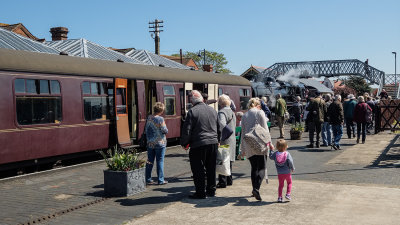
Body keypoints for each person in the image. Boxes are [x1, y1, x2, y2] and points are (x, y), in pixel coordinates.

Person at [180, 90, 219, 199]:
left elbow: (187, 130)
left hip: (198, 144)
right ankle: (211, 191)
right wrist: (218, 139)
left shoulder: (192, 112)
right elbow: (219, 127)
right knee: (211, 168)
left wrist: (184, 143)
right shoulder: (213, 110)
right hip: (213, 143)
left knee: (198, 169)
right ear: (202, 99)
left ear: (192, 101)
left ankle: (200, 192)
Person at [240, 98, 272, 201]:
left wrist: (243, 148)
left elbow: (243, 132)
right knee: (262, 167)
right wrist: (270, 143)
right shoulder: (260, 113)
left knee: (254, 167)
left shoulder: (244, 115)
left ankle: (254, 189)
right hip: (260, 143)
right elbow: (265, 129)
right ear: (258, 105)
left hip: (249, 143)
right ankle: (256, 189)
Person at [145, 102, 169, 185]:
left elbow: (147, 129)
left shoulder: (149, 117)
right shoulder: (160, 119)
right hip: (160, 143)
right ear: (161, 110)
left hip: (150, 143)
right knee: (160, 161)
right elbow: (165, 130)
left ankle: (147, 178)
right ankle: (160, 180)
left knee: (150, 161)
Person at [216, 94, 236, 188]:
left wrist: (219, 137)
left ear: (220, 103)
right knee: (229, 161)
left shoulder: (221, 112)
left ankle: (222, 182)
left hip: (224, 139)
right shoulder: (232, 112)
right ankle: (229, 180)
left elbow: (222, 125)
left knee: (222, 160)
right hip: (232, 139)